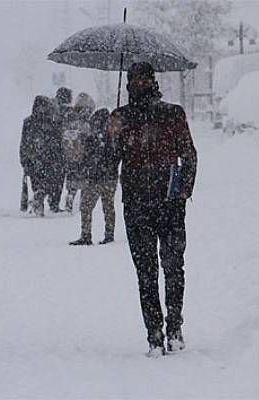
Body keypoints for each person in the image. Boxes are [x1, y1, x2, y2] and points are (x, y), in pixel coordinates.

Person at [108, 62, 197, 357]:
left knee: (151, 272)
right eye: (137, 80)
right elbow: (189, 155)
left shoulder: (127, 117)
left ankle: (159, 333)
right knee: (169, 268)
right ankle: (168, 330)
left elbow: (109, 161)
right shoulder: (169, 114)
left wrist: (110, 135)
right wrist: (183, 189)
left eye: (139, 80)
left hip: (144, 204)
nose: (138, 84)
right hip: (162, 204)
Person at [69, 108, 118, 246]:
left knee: (86, 207)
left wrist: (83, 171)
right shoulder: (114, 137)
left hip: (95, 178)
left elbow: (85, 158)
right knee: (108, 206)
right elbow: (116, 157)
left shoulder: (92, 137)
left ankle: (86, 234)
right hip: (111, 177)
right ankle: (109, 234)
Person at [19, 95, 63, 217]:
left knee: (37, 182)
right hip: (49, 159)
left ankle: (38, 198)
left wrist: (24, 159)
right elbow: (57, 142)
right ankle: (46, 201)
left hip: (33, 159)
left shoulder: (28, 122)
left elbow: (24, 143)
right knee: (50, 182)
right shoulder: (51, 122)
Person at [62, 92, 95, 213]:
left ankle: (71, 197)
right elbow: (89, 137)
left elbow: (65, 135)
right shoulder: (85, 122)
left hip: (71, 154)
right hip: (83, 154)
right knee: (84, 178)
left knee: (72, 178)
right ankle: (82, 202)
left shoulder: (69, 118)